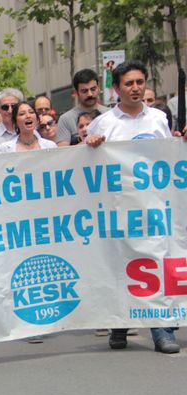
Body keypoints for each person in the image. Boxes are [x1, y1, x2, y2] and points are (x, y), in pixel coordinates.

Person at [85, 60, 183, 355]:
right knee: (121, 264)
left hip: (154, 208)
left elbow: (168, 158)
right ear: (116, 89)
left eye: (140, 82)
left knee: (154, 264)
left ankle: (161, 329)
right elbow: (86, 162)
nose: (136, 88)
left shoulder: (158, 119)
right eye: (129, 83)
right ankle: (119, 324)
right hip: (119, 209)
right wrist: (90, 144)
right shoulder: (104, 123)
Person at [56, 68, 108, 146]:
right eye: (84, 91)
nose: (90, 94)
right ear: (77, 93)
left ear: (99, 88)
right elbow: (63, 153)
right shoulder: (65, 119)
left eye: (93, 89)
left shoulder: (110, 114)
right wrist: (85, 142)